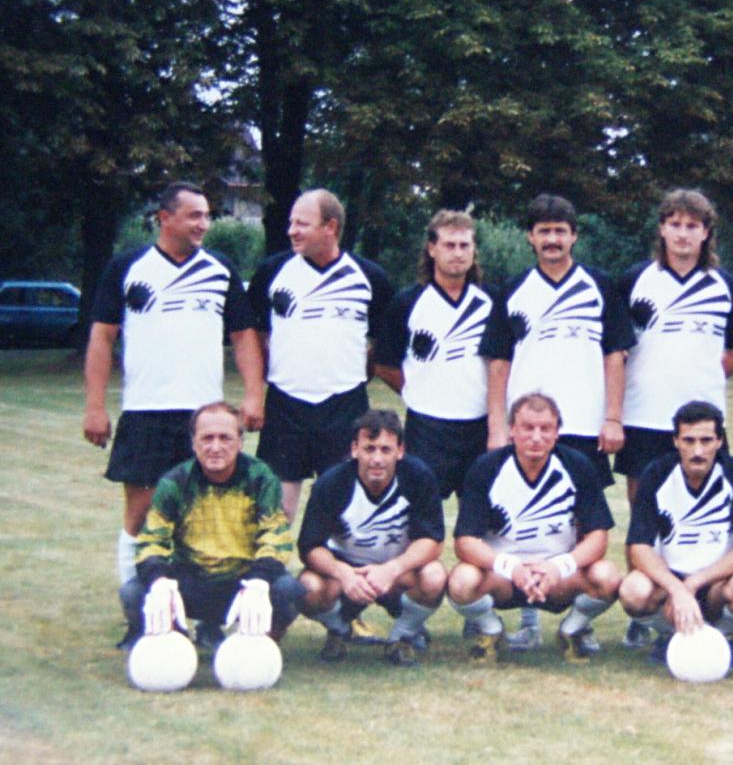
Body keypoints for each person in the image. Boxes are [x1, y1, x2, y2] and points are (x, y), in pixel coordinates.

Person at [83, 181, 264, 646]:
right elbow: (102, 337)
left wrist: (253, 395)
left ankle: (207, 618)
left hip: (204, 419)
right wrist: (95, 406)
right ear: (164, 218)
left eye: (207, 215)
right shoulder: (127, 268)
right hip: (145, 412)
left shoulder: (220, 269)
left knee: (204, 517)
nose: (204, 224)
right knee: (141, 516)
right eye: (194, 215)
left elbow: (243, 336)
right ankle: (141, 618)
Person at [479, 193, 634, 648]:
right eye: (543, 231)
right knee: (524, 517)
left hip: (583, 425)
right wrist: (497, 428)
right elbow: (498, 363)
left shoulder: (600, 286)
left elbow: (615, 355)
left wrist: (612, 417)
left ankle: (579, 623)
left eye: (560, 231)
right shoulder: (513, 290)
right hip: (527, 429)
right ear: (530, 237)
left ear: (574, 236)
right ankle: (528, 617)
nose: (552, 239)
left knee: (580, 524)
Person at [614, 188, 733, 647]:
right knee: (645, 515)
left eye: (693, 225)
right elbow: (618, 348)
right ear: (662, 228)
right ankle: (646, 613)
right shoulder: (635, 280)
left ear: (706, 232)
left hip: (703, 426)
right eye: (675, 224)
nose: (683, 233)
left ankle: (709, 603)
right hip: (644, 415)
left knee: (709, 514)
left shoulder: (725, 285)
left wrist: (702, 383)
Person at [248, 188, 392, 522]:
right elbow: (253, 335)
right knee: (275, 512)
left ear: (330, 227)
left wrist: (356, 373)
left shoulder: (370, 277)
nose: (292, 231)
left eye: (302, 223)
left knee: (343, 512)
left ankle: (328, 560)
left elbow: (381, 343)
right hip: (285, 404)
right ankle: (274, 559)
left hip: (344, 406)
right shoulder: (272, 271)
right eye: (291, 223)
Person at [447, 392, 621, 664]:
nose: (536, 437)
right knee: (461, 581)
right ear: (512, 430)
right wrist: (511, 568)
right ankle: (492, 631)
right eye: (528, 428)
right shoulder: (486, 468)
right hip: (504, 577)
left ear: (557, 432)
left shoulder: (577, 465)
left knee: (607, 576)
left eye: (545, 428)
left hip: (557, 578)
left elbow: (598, 537)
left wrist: (558, 566)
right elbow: (464, 541)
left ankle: (571, 630)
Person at [119, 402, 302, 649]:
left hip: (243, 579)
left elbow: (276, 536)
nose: (215, 447)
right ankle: (173, 639)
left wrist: (259, 580)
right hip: (190, 579)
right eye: (207, 438)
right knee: (133, 593)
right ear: (193, 443)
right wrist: (159, 580)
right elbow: (151, 540)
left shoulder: (261, 478)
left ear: (240, 442)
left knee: (288, 590)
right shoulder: (175, 482)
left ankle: (259, 642)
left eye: (225, 438)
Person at [619, 401, 733, 670]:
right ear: (675, 441)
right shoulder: (656, 474)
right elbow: (639, 548)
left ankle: (725, 636)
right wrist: (677, 589)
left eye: (706, 440)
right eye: (689, 440)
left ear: (720, 441)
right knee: (633, 589)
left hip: (717, 584)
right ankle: (668, 636)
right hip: (669, 585)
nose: (697, 451)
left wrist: (694, 583)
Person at [297, 410, 448, 667]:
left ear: (400, 451)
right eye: (369, 448)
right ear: (355, 449)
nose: (377, 459)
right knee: (308, 586)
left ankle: (402, 636)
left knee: (434, 575)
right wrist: (344, 574)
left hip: (397, 573)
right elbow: (310, 547)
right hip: (347, 575)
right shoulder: (332, 483)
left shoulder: (418, 476)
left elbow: (432, 541)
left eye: (385, 449)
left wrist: (392, 569)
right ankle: (338, 630)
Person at [374, 210, 492, 501]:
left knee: (479, 518)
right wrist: (418, 391)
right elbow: (384, 364)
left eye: (464, 245)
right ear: (432, 249)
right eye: (449, 245)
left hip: (480, 426)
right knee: (420, 514)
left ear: (474, 250)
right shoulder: (407, 302)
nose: (458, 253)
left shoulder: (492, 301)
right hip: (427, 428)